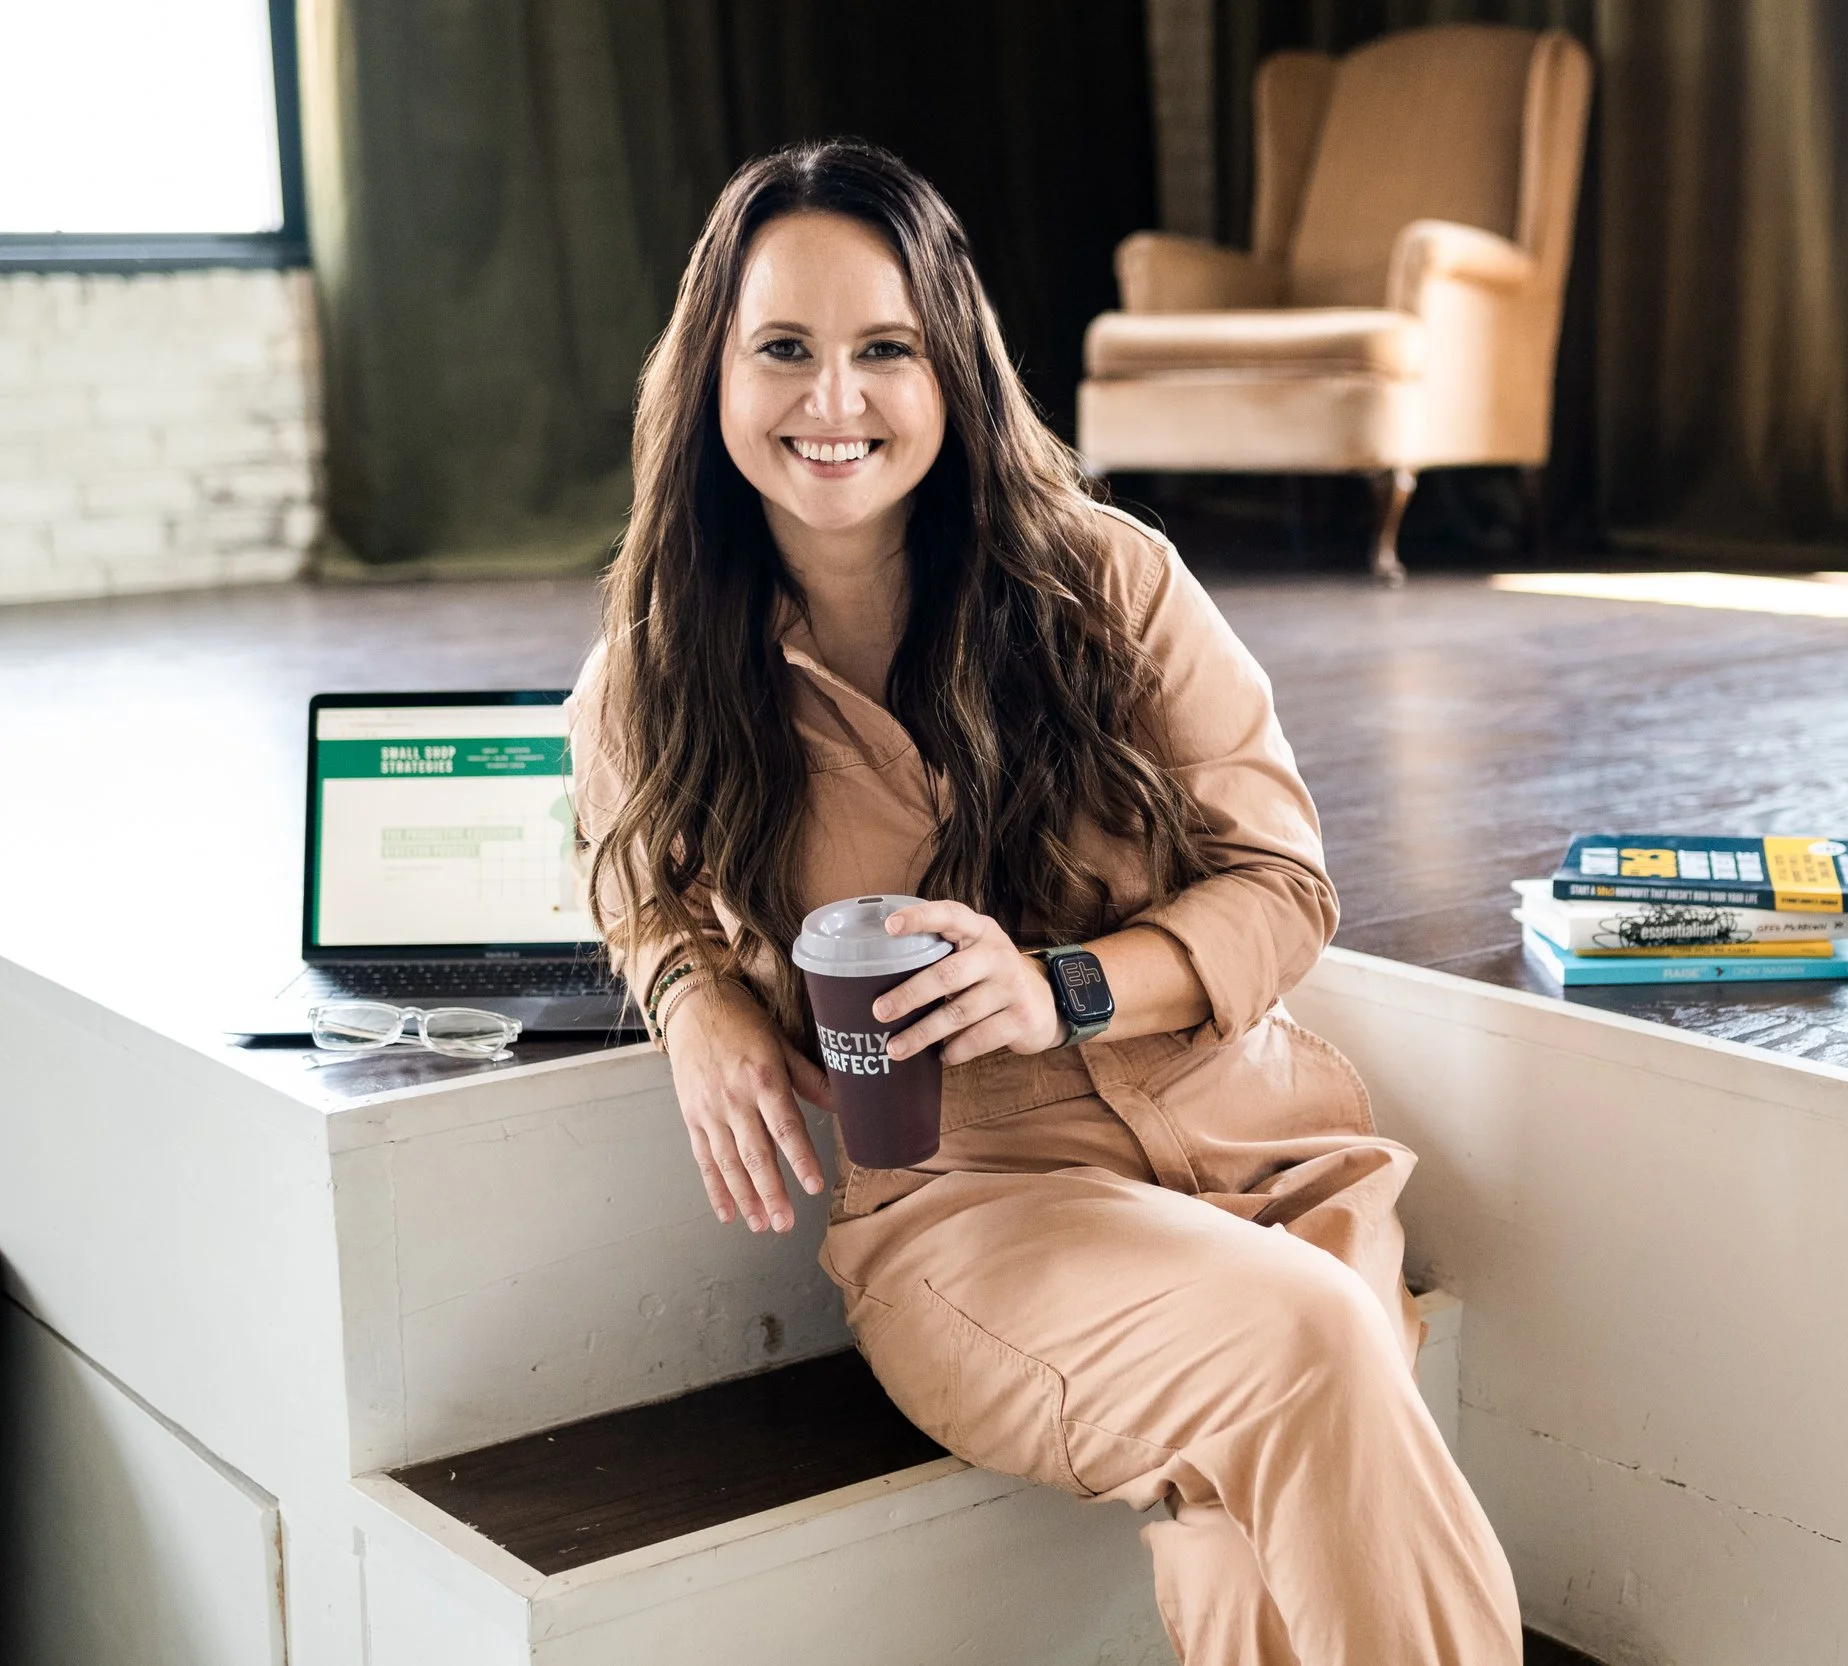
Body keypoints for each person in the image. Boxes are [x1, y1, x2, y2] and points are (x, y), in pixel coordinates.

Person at [566, 139, 1520, 1664]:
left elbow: (1286, 883)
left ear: (952, 366)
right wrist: (689, 1001)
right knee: (1315, 1340)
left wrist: (1062, 984)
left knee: (1257, 1508)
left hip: (1259, 1161)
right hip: (975, 1211)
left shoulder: (1113, 584)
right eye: (785, 351)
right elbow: (628, 876)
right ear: (713, 379)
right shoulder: (655, 679)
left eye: (885, 349)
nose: (834, 401)